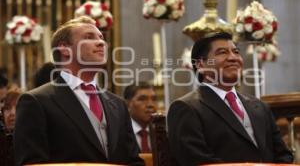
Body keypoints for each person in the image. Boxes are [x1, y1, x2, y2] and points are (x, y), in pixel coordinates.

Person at [14, 16, 144, 166]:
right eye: (89, 37)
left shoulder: (118, 104)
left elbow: (134, 161)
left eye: (101, 37)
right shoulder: (36, 101)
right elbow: (32, 163)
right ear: (65, 49)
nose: (101, 42)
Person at [167, 32, 293, 165]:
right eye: (222, 52)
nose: (233, 58)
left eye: (236, 52)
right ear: (200, 65)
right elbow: (197, 161)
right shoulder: (186, 108)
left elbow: (283, 155)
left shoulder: (260, 106)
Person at [124, 82, 157, 153]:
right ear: (128, 104)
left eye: (154, 99)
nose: (150, 105)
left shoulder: (164, 133)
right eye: (142, 99)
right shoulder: (119, 133)